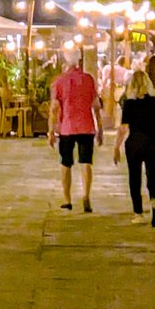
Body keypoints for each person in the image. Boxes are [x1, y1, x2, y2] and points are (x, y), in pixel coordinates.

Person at [113, 70, 155, 227]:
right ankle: (154, 203)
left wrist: (116, 147)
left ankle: (138, 213)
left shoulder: (129, 104)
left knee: (134, 177)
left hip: (134, 143)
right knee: (152, 175)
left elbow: (123, 128)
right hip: (153, 143)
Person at [48, 52, 103, 212]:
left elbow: (54, 108)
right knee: (86, 162)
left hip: (67, 127)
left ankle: (67, 199)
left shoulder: (60, 81)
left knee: (66, 163)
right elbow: (96, 106)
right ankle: (86, 195)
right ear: (79, 61)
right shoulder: (88, 80)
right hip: (86, 126)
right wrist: (100, 129)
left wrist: (51, 130)